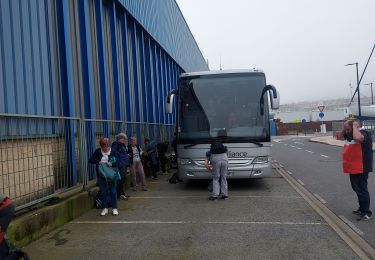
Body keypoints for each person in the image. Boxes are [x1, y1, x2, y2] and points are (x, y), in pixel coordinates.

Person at [337, 119, 373, 220]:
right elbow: (339, 137)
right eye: (345, 128)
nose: (346, 130)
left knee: (362, 189)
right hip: (353, 166)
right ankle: (362, 208)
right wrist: (345, 128)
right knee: (356, 188)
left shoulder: (363, 133)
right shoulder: (350, 134)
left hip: (361, 166)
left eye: (348, 128)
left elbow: (358, 138)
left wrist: (355, 126)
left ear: (355, 126)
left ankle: (366, 212)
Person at [89, 137, 120, 216]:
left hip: (111, 174)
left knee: (113, 191)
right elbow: (91, 160)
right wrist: (98, 162)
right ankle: (105, 208)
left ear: (108, 145)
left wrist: (112, 164)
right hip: (101, 175)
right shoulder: (98, 151)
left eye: (106, 147)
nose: (105, 149)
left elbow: (118, 162)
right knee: (103, 191)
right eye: (103, 147)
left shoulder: (113, 151)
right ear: (101, 146)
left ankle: (114, 208)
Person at [111, 133, 130, 200]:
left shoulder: (122, 145)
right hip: (120, 165)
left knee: (123, 179)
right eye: (124, 139)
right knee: (120, 180)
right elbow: (114, 153)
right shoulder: (116, 144)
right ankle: (119, 194)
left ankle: (122, 193)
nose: (124, 140)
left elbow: (123, 154)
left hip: (123, 164)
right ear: (120, 138)